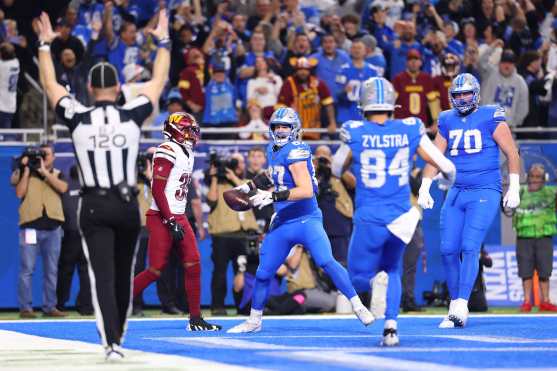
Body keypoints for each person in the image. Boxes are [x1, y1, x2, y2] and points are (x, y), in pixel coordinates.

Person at [35, 10, 169, 360]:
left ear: (91, 89)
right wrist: (163, 42)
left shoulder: (79, 116)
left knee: (103, 277)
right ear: (119, 88)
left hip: (93, 203)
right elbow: (157, 82)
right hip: (126, 204)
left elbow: (50, 86)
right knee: (124, 273)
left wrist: (44, 46)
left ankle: (110, 342)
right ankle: (118, 336)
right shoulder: (132, 114)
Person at [332, 77, 456, 346]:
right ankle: (391, 327)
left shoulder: (355, 131)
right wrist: (445, 181)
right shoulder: (410, 128)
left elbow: (335, 167)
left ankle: (377, 311)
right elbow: (445, 165)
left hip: (370, 216)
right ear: (391, 104)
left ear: (363, 105)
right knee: (393, 269)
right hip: (402, 216)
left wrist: (355, 166)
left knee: (357, 279)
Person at [227, 107, 373, 333]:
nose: (281, 131)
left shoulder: (297, 151)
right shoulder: (273, 148)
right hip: (283, 220)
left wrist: (272, 196)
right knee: (264, 272)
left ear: (294, 129)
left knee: (326, 261)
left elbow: (306, 190)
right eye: (277, 126)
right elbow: (271, 174)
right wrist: (248, 186)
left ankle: (357, 304)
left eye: (285, 126)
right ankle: (254, 320)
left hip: (306, 219)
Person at [418, 73, 521, 328]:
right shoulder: (446, 119)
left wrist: (515, 185)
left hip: (485, 190)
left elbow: (511, 152)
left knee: (470, 245)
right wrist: (425, 185)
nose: (462, 98)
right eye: (457, 94)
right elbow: (434, 156)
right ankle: (455, 302)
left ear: (475, 94)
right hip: (456, 191)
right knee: (448, 249)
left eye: (466, 93)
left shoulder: (490, 115)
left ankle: (461, 304)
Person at [133, 112, 221, 331]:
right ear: (176, 131)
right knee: (155, 269)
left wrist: (176, 219)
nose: (192, 133)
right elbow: (157, 189)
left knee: (193, 264)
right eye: (188, 129)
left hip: (178, 215)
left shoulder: (186, 152)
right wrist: (170, 219)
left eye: (193, 129)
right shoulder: (167, 149)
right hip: (162, 216)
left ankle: (195, 318)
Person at [14, 143, 69, 318]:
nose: (43, 157)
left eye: (46, 154)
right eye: (41, 154)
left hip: (53, 229)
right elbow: (19, 193)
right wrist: (27, 169)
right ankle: (25, 308)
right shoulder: (24, 173)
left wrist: (44, 171)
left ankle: (50, 306)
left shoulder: (58, 174)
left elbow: (63, 188)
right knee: (27, 269)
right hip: (30, 227)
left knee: (51, 270)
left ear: (53, 157)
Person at [206, 152, 259, 315]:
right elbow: (211, 200)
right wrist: (215, 177)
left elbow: (255, 196)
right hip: (223, 236)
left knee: (244, 273)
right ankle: (218, 306)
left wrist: (233, 177)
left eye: (240, 162)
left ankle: (243, 307)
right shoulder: (218, 185)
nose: (238, 165)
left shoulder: (244, 183)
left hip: (244, 236)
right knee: (220, 272)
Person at [513, 164, 557, 312]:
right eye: (532, 176)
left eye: (538, 177)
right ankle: (526, 301)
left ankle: (545, 301)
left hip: (544, 236)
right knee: (525, 271)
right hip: (524, 236)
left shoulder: (552, 193)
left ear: (544, 179)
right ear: (528, 177)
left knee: (545, 271)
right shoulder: (520, 192)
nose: (535, 179)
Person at [56, 164, 93, 316]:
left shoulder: (86, 186)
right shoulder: (67, 185)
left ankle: (78, 305)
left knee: (78, 272)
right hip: (76, 233)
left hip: (79, 233)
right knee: (73, 271)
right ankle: (67, 305)